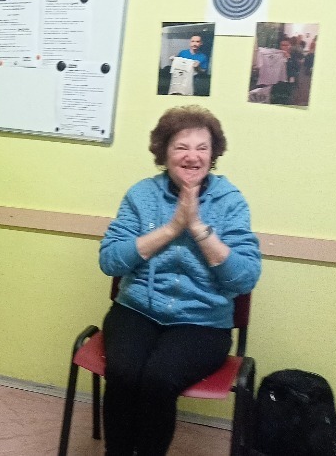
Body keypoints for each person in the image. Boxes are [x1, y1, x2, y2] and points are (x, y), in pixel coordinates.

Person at [97, 105, 261, 456]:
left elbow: (245, 278)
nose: (192, 156)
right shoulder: (142, 195)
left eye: (202, 148)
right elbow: (109, 260)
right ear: (164, 153)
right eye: (181, 147)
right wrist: (172, 228)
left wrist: (197, 228)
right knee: (124, 373)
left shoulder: (230, 202)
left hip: (203, 322)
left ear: (213, 155)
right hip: (136, 311)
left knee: (158, 379)